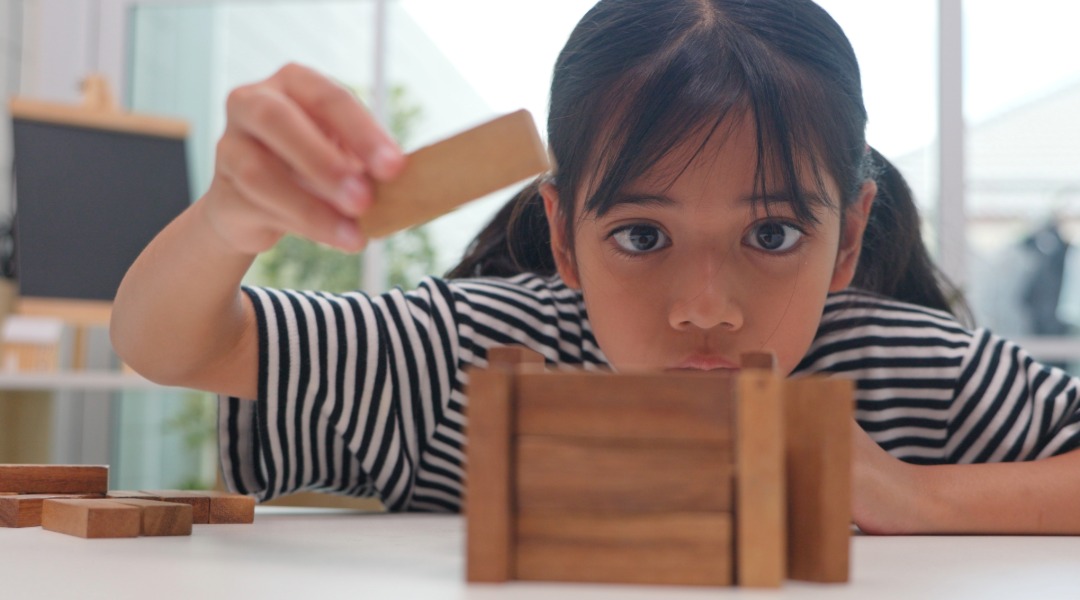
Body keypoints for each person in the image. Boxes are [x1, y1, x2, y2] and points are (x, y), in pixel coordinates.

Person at [111, 0, 1080, 534]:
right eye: (643, 237)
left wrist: (923, 496)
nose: (706, 310)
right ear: (565, 236)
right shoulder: (466, 357)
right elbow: (174, 346)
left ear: (851, 238)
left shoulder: (917, 373)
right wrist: (231, 215)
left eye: (773, 234)